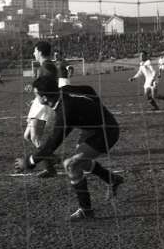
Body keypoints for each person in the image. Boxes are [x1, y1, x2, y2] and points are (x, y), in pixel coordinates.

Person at [15, 75, 124, 221]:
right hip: (93, 129)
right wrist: (95, 109)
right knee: (82, 162)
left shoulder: (65, 111)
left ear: (45, 98)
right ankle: (112, 179)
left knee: (71, 165)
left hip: (107, 131)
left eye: (36, 95)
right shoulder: (63, 90)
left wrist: (29, 162)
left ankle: (86, 210)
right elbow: (88, 89)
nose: (35, 98)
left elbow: (52, 144)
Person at [23, 41, 58, 178]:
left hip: (42, 104)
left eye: (34, 51)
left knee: (35, 137)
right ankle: (51, 157)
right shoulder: (45, 66)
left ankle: (50, 167)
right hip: (38, 103)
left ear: (40, 52)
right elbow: (44, 83)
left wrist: (39, 92)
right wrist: (35, 92)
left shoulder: (47, 66)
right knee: (27, 136)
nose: (33, 53)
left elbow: (49, 83)